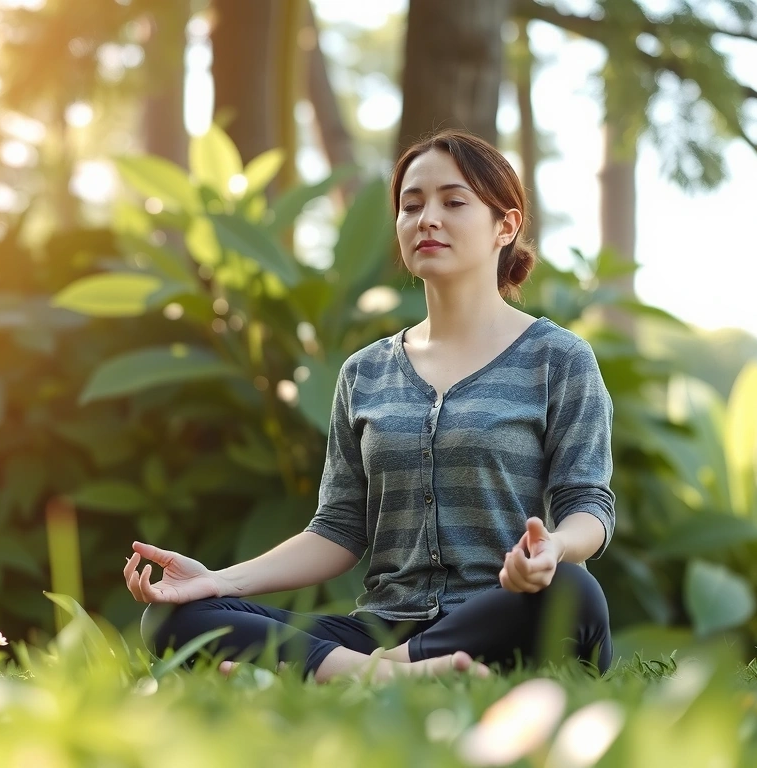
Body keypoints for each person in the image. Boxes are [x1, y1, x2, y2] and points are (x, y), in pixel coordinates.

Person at [123, 129, 615, 683]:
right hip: (380, 627)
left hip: (505, 612)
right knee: (175, 620)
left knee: (572, 592)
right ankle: (387, 672)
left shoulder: (559, 359)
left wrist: (555, 547)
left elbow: (587, 503)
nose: (427, 218)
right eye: (411, 205)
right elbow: (338, 527)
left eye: (454, 202)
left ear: (506, 225)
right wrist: (221, 582)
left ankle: (342, 673)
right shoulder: (365, 372)